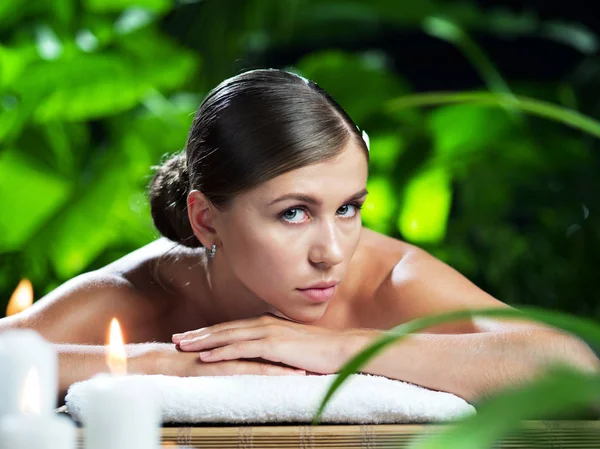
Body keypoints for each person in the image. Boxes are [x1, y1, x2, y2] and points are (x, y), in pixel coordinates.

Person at [0, 69, 597, 405]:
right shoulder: (144, 289)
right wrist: (165, 365)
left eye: (348, 208)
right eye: (293, 213)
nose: (332, 251)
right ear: (207, 219)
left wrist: (341, 351)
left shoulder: (389, 279)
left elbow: (571, 366)